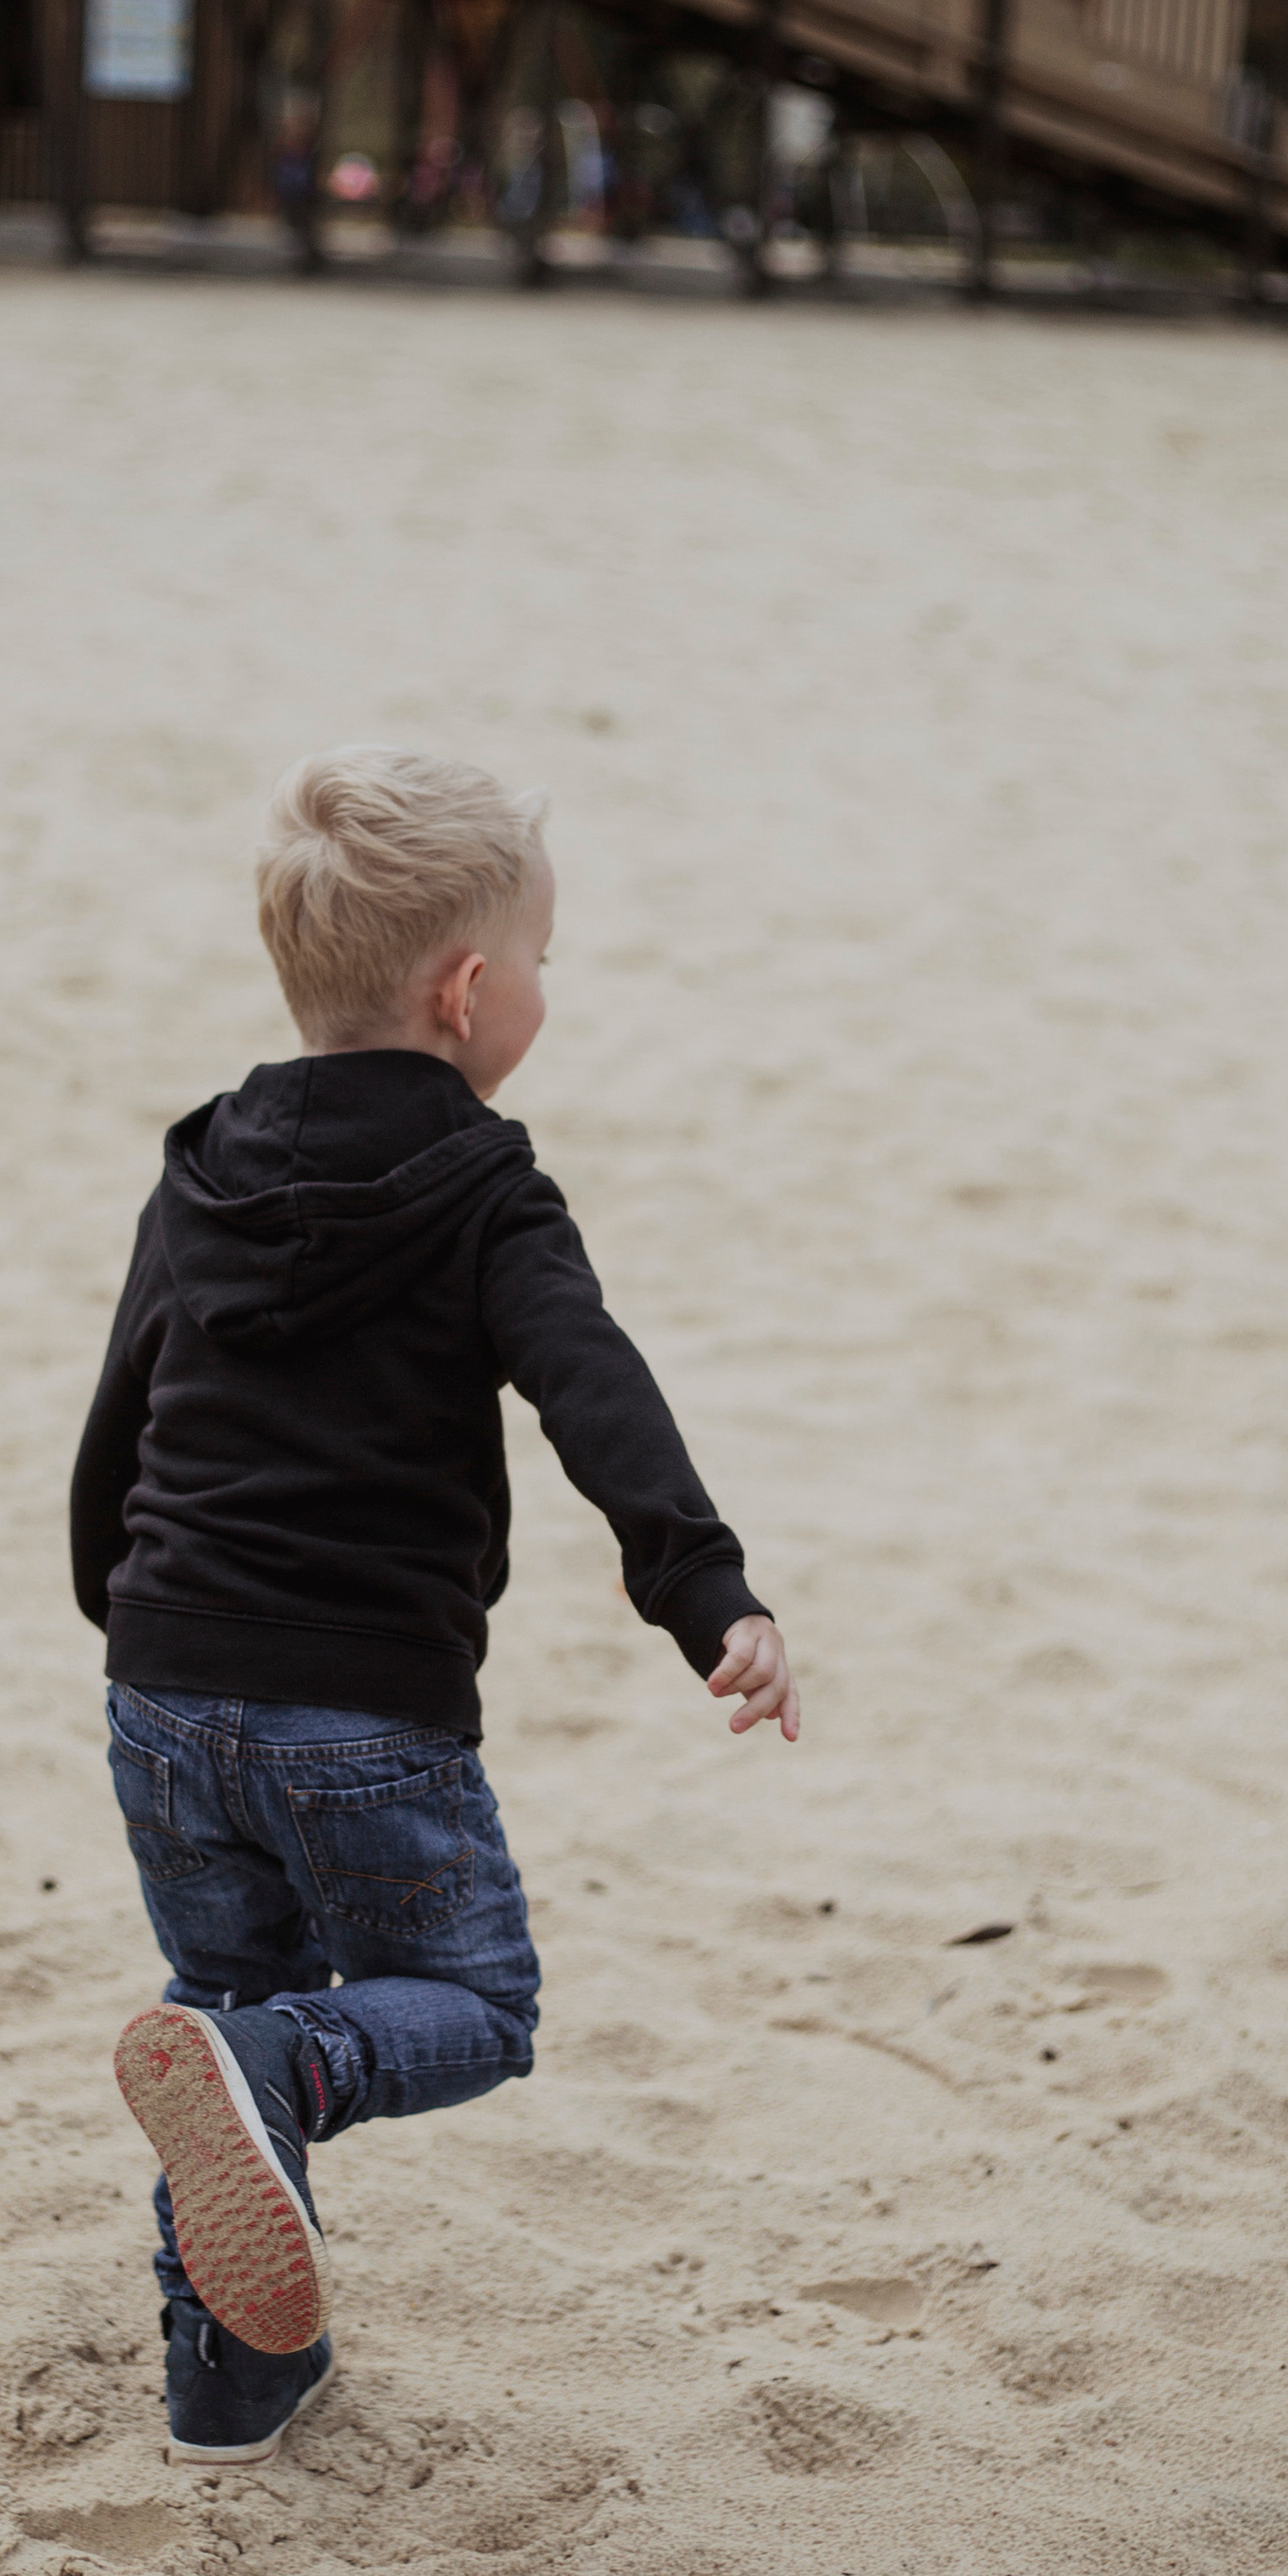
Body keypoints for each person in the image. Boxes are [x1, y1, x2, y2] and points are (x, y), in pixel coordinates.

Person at [70, 749, 796, 2464]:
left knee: (226, 2014)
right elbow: (589, 1387)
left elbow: (126, 1396)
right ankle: (281, 2088)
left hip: (164, 1684)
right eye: (544, 958)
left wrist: (127, 1609)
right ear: (470, 993)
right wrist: (706, 1588)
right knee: (464, 2009)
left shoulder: (205, 1165)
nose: (545, 986)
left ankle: (230, 2382)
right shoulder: (485, 1189)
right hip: (362, 1708)